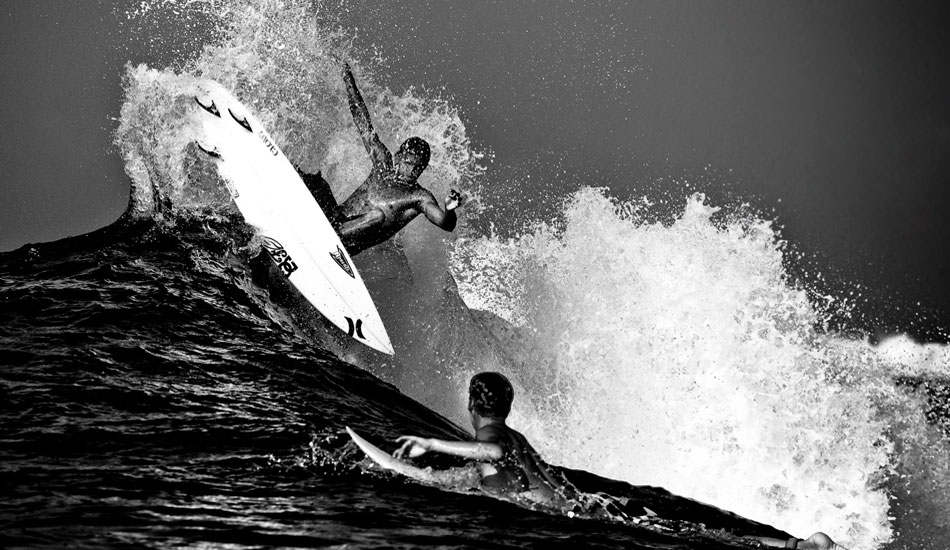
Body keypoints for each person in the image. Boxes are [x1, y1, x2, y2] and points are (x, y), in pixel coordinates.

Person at [393, 372, 850, 550]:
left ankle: (799, 549)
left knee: (684, 535)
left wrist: (430, 445)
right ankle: (794, 546)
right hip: (574, 502)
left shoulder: (492, 435)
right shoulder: (514, 431)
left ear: (472, 405)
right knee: (686, 531)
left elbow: (489, 454)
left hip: (562, 515)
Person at [302, 61, 463, 256]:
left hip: (344, 243)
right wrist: (347, 79)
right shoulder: (383, 164)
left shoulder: (418, 197)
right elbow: (362, 121)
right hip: (332, 217)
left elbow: (445, 223)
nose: (412, 171)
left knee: (377, 215)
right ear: (399, 157)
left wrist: (449, 210)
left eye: (417, 167)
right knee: (317, 182)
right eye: (409, 163)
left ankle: (327, 237)